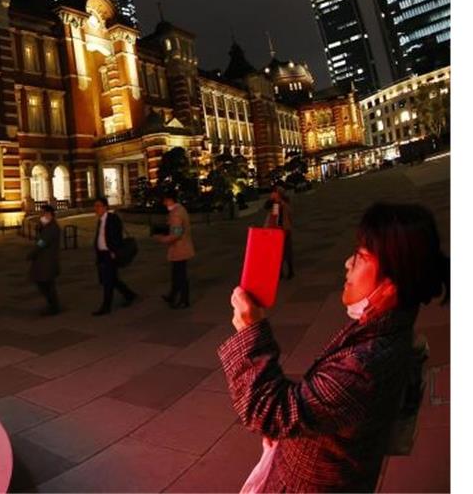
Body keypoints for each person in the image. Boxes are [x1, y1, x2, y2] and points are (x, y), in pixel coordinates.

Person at [218, 203, 450, 492]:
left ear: (393, 282)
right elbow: (324, 407)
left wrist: (250, 332)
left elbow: (267, 411)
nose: (347, 264)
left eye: (361, 256)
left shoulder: (366, 364)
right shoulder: (383, 329)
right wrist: (294, 428)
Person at [92, 196, 136, 315]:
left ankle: (106, 307)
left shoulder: (112, 219)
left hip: (109, 254)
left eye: (98, 206)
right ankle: (130, 295)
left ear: (105, 207)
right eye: (95, 206)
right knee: (113, 279)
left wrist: (113, 251)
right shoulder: (101, 220)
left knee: (107, 281)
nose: (96, 209)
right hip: (102, 254)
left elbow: (116, 236)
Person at [153, 187, 195, 309]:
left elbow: (176, 234)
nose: (164, 203)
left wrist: (161, 239)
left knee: (180, 275)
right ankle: (173, 295)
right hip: (182, 247)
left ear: (170, 200)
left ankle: (184, 300)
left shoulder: (176, 213)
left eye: (165, 200)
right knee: (176, 274)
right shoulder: (180, 209)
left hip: (179, 249)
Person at [28, 204, 61, 315]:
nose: (41, 216)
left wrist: (32, 253)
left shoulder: (52, 228)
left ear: (49, 214)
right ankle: (53, 305)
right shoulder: (47, 227)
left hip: (47, 261)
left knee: (46, 283)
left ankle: (54, 306)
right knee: (46, 283)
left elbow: (42, 242)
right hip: (44, 260)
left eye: (43, 213)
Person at [265, 184, 294, 280]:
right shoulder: (275, 204)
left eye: (275, 193)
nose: (272, 195)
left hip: (284, 230)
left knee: (286, 251)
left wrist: (278, 202)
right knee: (278, 252)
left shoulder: (284, 204)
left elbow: (285, 216)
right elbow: (274, 216)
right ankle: (280, 272)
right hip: (277, 231)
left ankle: (290, 270)